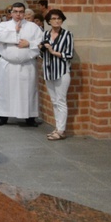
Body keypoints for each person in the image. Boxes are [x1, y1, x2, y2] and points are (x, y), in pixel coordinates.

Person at [0, 2, 42, 127]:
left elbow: (40, 41)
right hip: (8, 65)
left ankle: (30, 117)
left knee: (28, 91)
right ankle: (3, 116)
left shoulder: (33, 27)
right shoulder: (4, 25)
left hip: (27, 65)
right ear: (11, 13)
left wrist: (29, 44)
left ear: (24, 13)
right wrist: (14, 33)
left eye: (21, 12)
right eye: (15, 11)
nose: (18, 14)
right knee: (5, 91)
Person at [39, 9, 74, 140]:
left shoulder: (67, 35)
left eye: (59, 18)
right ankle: (58, 127)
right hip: (48, 71)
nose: (57, 21)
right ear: (48, 21)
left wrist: (53, 51)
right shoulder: (45, 35)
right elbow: (41, 55)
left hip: (62, 71)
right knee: (54, 101)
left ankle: (61, 130)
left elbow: (69, 54)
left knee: (61, 100)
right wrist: (41, 49)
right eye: (54, 18)